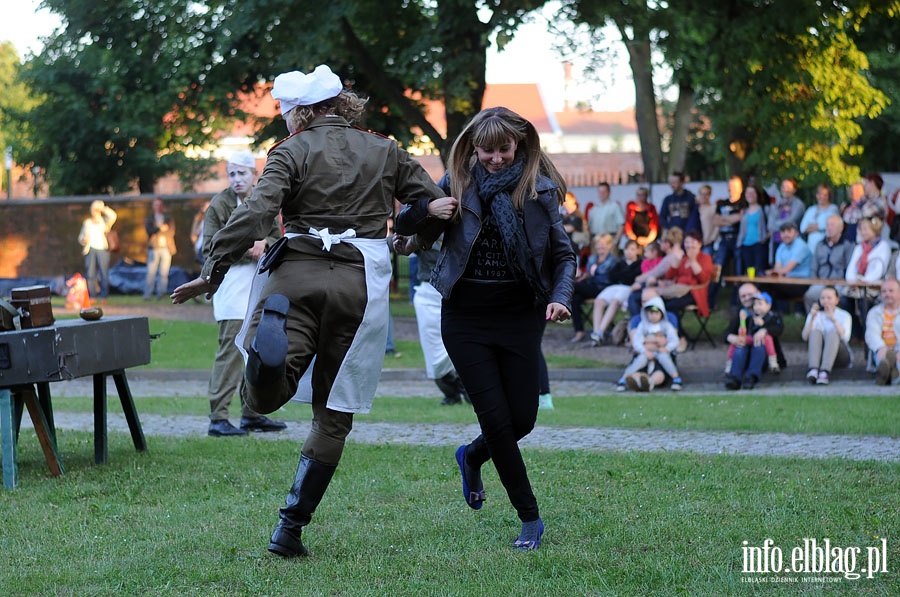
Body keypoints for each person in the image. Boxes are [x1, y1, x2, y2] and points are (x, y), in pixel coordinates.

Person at [171, 64, 447, 558]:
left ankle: (268, 367)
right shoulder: (385, 148)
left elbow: (255, 215)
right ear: (342, 105)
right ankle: (290, 528)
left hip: (294, 274)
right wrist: (413, 237)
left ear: (298, 112)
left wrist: (213, 271)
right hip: (360, 282)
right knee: (334, 411)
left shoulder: (291, 150)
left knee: (264, 397)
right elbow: (436, 205)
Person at [393, 106, 576, 552]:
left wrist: (560, 296)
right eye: (487, 150)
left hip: (520, 315)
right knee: (496, 421)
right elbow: (404, 231)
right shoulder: (455, 185)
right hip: (465, 318)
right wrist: (427, 208)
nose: (496, 158)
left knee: (522, 420)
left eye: (504, 150)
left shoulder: (539, 190)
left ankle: (471, 455)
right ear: (473, 148)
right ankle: (530, 518)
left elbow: (564, 256)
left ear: (519, 145)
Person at [203, 150, 286, 437]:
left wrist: (265, 243)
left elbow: (278, 237)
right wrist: (246, 248)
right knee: (231, 352)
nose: (237, 179)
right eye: (232, 174)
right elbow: (208, 248)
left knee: (256, 352)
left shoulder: (263, 202)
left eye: (242, 173)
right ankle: (219, 417)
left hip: (258, 286)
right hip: (230, 286)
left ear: (254, 175)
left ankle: (252, 413)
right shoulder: (219, 204)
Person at [409, 235, 470, 406]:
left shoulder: (464, 230)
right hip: (428, 296)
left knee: (460, 344)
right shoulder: (424, 231)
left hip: (455, 294)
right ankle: (450, 392)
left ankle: (467, 387)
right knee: (433, 349)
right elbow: (400, 243)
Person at [724, 283, 785, 390]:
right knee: (740, 347)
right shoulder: (741, 313)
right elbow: (727, 332)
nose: (747, 298)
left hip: (763, 354)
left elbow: (779, 328)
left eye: (750, 295)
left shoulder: (768, 311)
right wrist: (731, 337)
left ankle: (751, 377)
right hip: (744, 354)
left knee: (759, 345)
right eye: (743, 296)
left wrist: (765, 329)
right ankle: (734, 378)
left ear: (758, 294)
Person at [615, 296, 683, 392]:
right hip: (646, 352)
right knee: (639, 361)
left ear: (661, 313)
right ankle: (625, 379)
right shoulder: (642, 325)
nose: (653, 315)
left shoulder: (666, 326)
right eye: (651, 312)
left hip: (661, 353)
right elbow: (637, 341)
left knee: (664, 359)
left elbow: (674, 340)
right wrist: (645, 349)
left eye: (656, 312)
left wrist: (666, 348)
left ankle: (676, 379)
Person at [590, 239, 643, 345]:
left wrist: (624, 275)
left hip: (629, 288)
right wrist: (624, 275)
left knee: (615, 301)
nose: (629, 252)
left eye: (632, 249)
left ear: (638, 251)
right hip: (616, 286)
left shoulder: (640, 264)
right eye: (627, 249)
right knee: (599, 301)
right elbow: (612, 276)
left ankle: (601, 331)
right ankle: (596, 332)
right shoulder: (620, 263)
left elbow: (632, 278)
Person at [570, 233, 616, 342]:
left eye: (603, 244)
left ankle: (554, 295)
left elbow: (609, 279)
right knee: (575, 299)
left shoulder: (613, 261)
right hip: (590, 286)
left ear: (609, 245)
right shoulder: (592, 258)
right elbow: (590, 275)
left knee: (572, 286)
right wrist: (582, 275)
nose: (600, 247)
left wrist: (591, 277)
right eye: (598, 244)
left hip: (603, 289)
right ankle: (579, 331)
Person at [803, 215, 854, 313]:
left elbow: (849, 267)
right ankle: (813, 322)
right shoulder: (820, 245)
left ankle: (836, 323)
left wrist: (844, 282)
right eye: (827, 225)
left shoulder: (848, 245)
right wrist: (814, 282)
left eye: (832, 225)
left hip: (839, 283)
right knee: (809, 295)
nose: (829, 228)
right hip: (821, 282)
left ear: (841, 228)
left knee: (840, 298)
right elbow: (814, 267)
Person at [802, 286, 852, 385]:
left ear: (837, 300)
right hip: (820, 354)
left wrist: (833, 319)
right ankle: (814, 369)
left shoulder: (844, 315)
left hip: (840, 354)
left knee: (833, 334)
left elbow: (846, 338)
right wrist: (812, 318)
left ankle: (825, 371)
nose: (825, 301)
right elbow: (805, 337)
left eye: (829, 298)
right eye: (823, 298)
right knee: (815, 332)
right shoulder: (815, 315)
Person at [660, 230, 713, 320]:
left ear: (699, 244)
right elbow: (669, 277)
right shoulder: (683, 259)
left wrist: (693, 261)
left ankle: (677, 331)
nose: (689, 245)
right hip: (677, 291)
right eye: (687, 242)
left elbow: (703, 279)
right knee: (659, 302)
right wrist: (675, 264)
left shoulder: (705, 258)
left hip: (694, 293)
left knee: (670, 306)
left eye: (692, 242)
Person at [710, 176, 746, 308]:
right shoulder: (722, 203)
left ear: (740, 188)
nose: (732, 189)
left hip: (738, 239)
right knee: (717, 269)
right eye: (730, 186)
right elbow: (715, 221)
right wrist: (732, 219)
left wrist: (724, 219)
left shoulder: (743, 203)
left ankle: (736, 301)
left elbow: (740, 218)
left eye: (735, 186)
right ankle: (710, 301)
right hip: (724, 240)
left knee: (738, 270)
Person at [77, 200, 117, 303]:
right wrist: (83, 240)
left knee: (104, 273)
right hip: (90, 250)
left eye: (96, 210)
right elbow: (80, 237)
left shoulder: (104, 222)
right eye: (93, 210)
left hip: (103, 249)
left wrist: (102, 208)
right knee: (90, 274)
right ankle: (92, 296)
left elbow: (113, 216)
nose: (94, 212)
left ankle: (104, 296)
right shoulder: (87, 223)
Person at [765, 221, 812, 306]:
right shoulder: (782, 247)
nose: (786, 234)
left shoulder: (800, 246)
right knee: (766, 285)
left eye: (789, 231)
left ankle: (768, 312)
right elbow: (778, 268)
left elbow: (785, 270)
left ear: (796, 233)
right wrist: (774, 272)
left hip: (801, 283)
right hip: (787, 281)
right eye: (783, 232)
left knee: (767, 286)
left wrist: (771, 272)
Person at [865, 278, 900, 385]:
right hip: (881, 351)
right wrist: (881, 347)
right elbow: (871, 334)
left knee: (892, 357)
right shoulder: (874, 312)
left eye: (891, 291)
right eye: (884, 291)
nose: (887, 294)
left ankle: (885, 375)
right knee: (885, 355)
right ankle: (893, 374)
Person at [143, 198, 177, 300]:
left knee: (164, 273)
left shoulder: (168, 218)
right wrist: (160, 228)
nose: (158, 207)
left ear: (162, 206)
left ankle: (161, 294)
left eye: (159, 205)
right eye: (156, 205)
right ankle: (147, 294)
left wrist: (157, 232)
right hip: (154, 248)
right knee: (151, 272)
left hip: (166, 248)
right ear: (153, 206)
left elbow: (171, 232)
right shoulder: (150, 218)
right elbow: (149, 231)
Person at [765, 178, 804, 257]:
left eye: (788, 187)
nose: (785, 189)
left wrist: (775, 224)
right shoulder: (777, 203)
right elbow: (770, 225)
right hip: (776, 241)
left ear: (794, 189)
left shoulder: (798, 204)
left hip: (791, 244)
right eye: (783, 187)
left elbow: (790, 222)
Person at [736, 184, 769, 277]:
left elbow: (771, 226)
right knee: (748, 273)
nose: (750, 195)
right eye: (748, 192)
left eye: (752, 192)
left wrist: (765, 237)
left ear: (757, 194)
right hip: (745, 245)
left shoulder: (764, 209)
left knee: (759, 272)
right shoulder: (744, 211)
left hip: (759, 244)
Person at [799, 184, 839, 254]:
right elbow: (803, 228)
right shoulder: (811, 209)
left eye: (825, 195)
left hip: (826, 248)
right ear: (816, 195)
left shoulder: (833, 209)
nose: (822, 197)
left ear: (829, 196)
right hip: (810, 248)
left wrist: (812, 226)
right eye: (820, 194)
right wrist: (819, 227)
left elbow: (829, 226)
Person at [586, 181, 625, 247]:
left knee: (610, 257)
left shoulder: (615, 206)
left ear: (609, 193)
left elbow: (621, 224)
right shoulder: (594, 208)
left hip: (609, 240)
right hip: (595, 241)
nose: (601, 194)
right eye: (600, 192)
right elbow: (589, 227)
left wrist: (616, 240)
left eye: (604, 192)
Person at [695, 184, 719, 256]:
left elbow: (717, 225)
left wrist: (711, 239)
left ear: (710, 195)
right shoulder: (696, 208)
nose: (703, 196)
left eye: (706, 194)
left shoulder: (714, 208)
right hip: (695, 243)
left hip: (707, 243)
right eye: (701, 194)